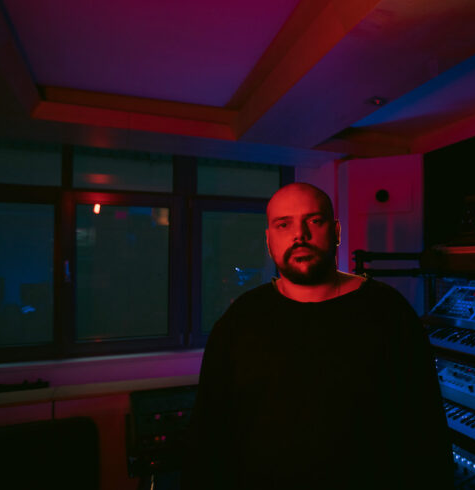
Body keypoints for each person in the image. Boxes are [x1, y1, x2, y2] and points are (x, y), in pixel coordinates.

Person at [186, 182, 453, 489]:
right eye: (284, 224)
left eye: (314, 221)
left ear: (336, 231)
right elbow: (208, 437)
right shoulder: (239, 321)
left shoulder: (389, 312)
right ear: (269, 240)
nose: (299, 235)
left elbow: (426, 432)